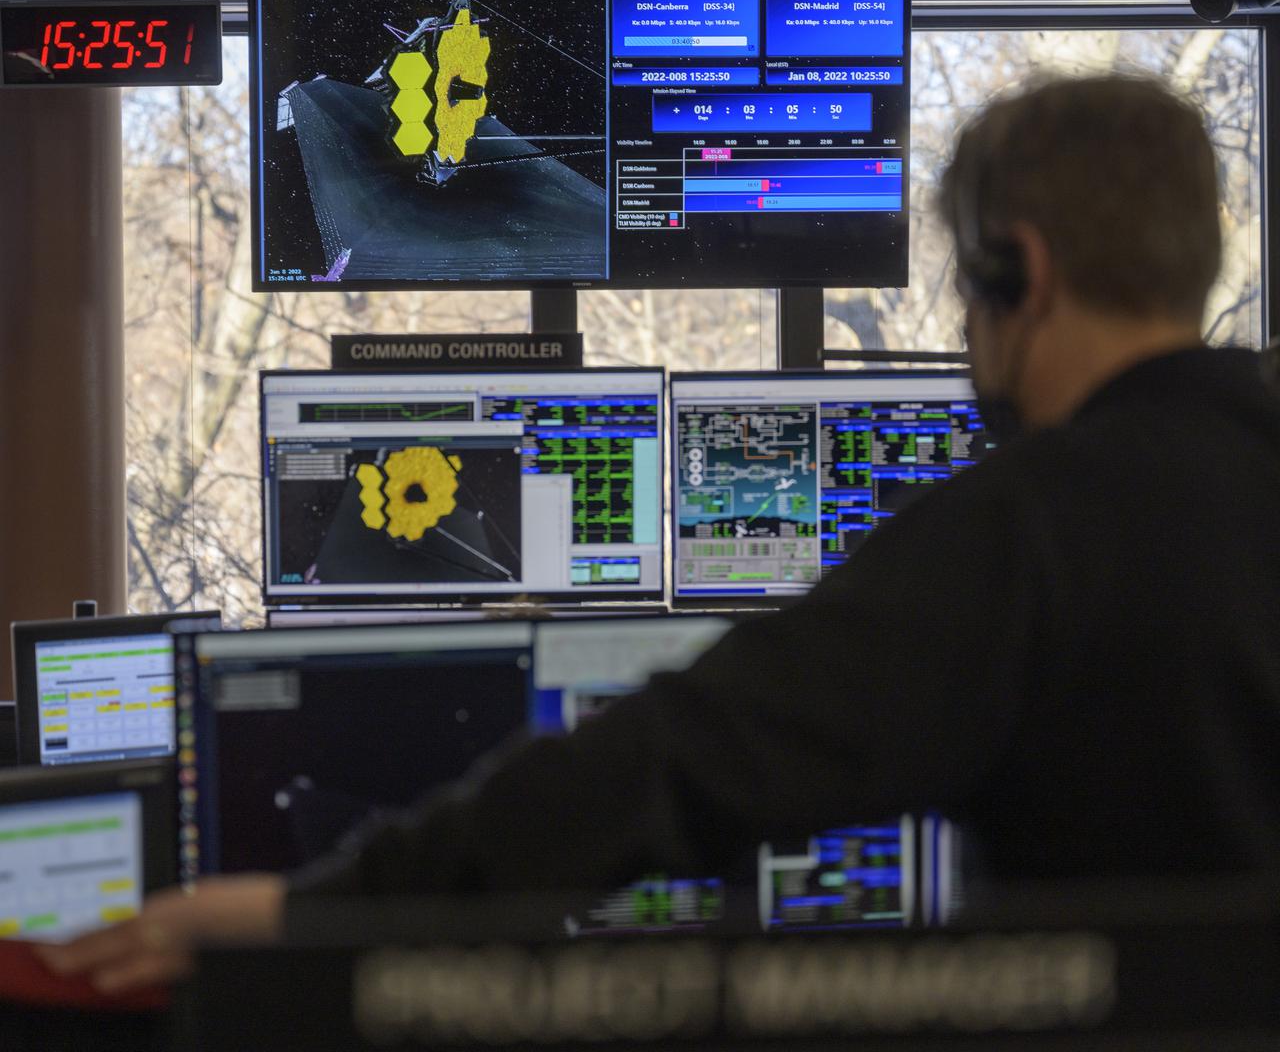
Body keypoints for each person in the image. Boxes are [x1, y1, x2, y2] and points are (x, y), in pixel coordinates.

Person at [44, 74, 1280, 993]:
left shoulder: (1034, 525)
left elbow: (683, 761)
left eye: (965, 289)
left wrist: (311, 913)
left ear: (1022, 270)